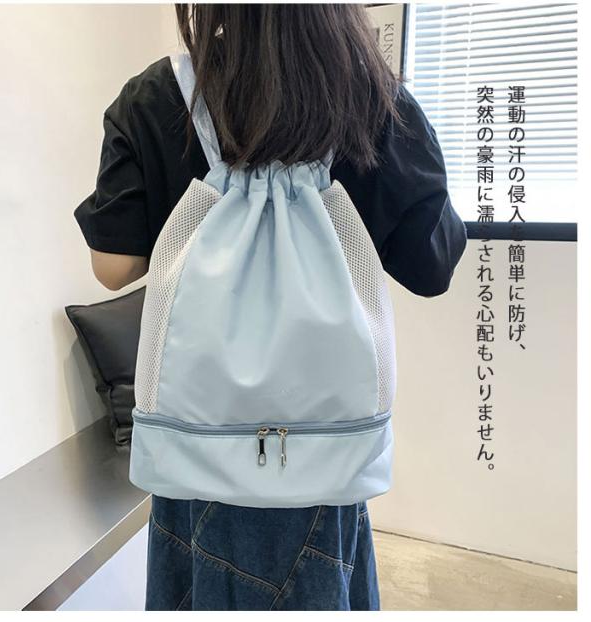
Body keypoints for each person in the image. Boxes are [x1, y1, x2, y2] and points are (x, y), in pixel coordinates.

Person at [74, 3, 467, 611]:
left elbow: (113, 266)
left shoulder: (159, 95)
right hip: (324, 463)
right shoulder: (371, 97)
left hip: (196, 453)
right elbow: (431, 265)